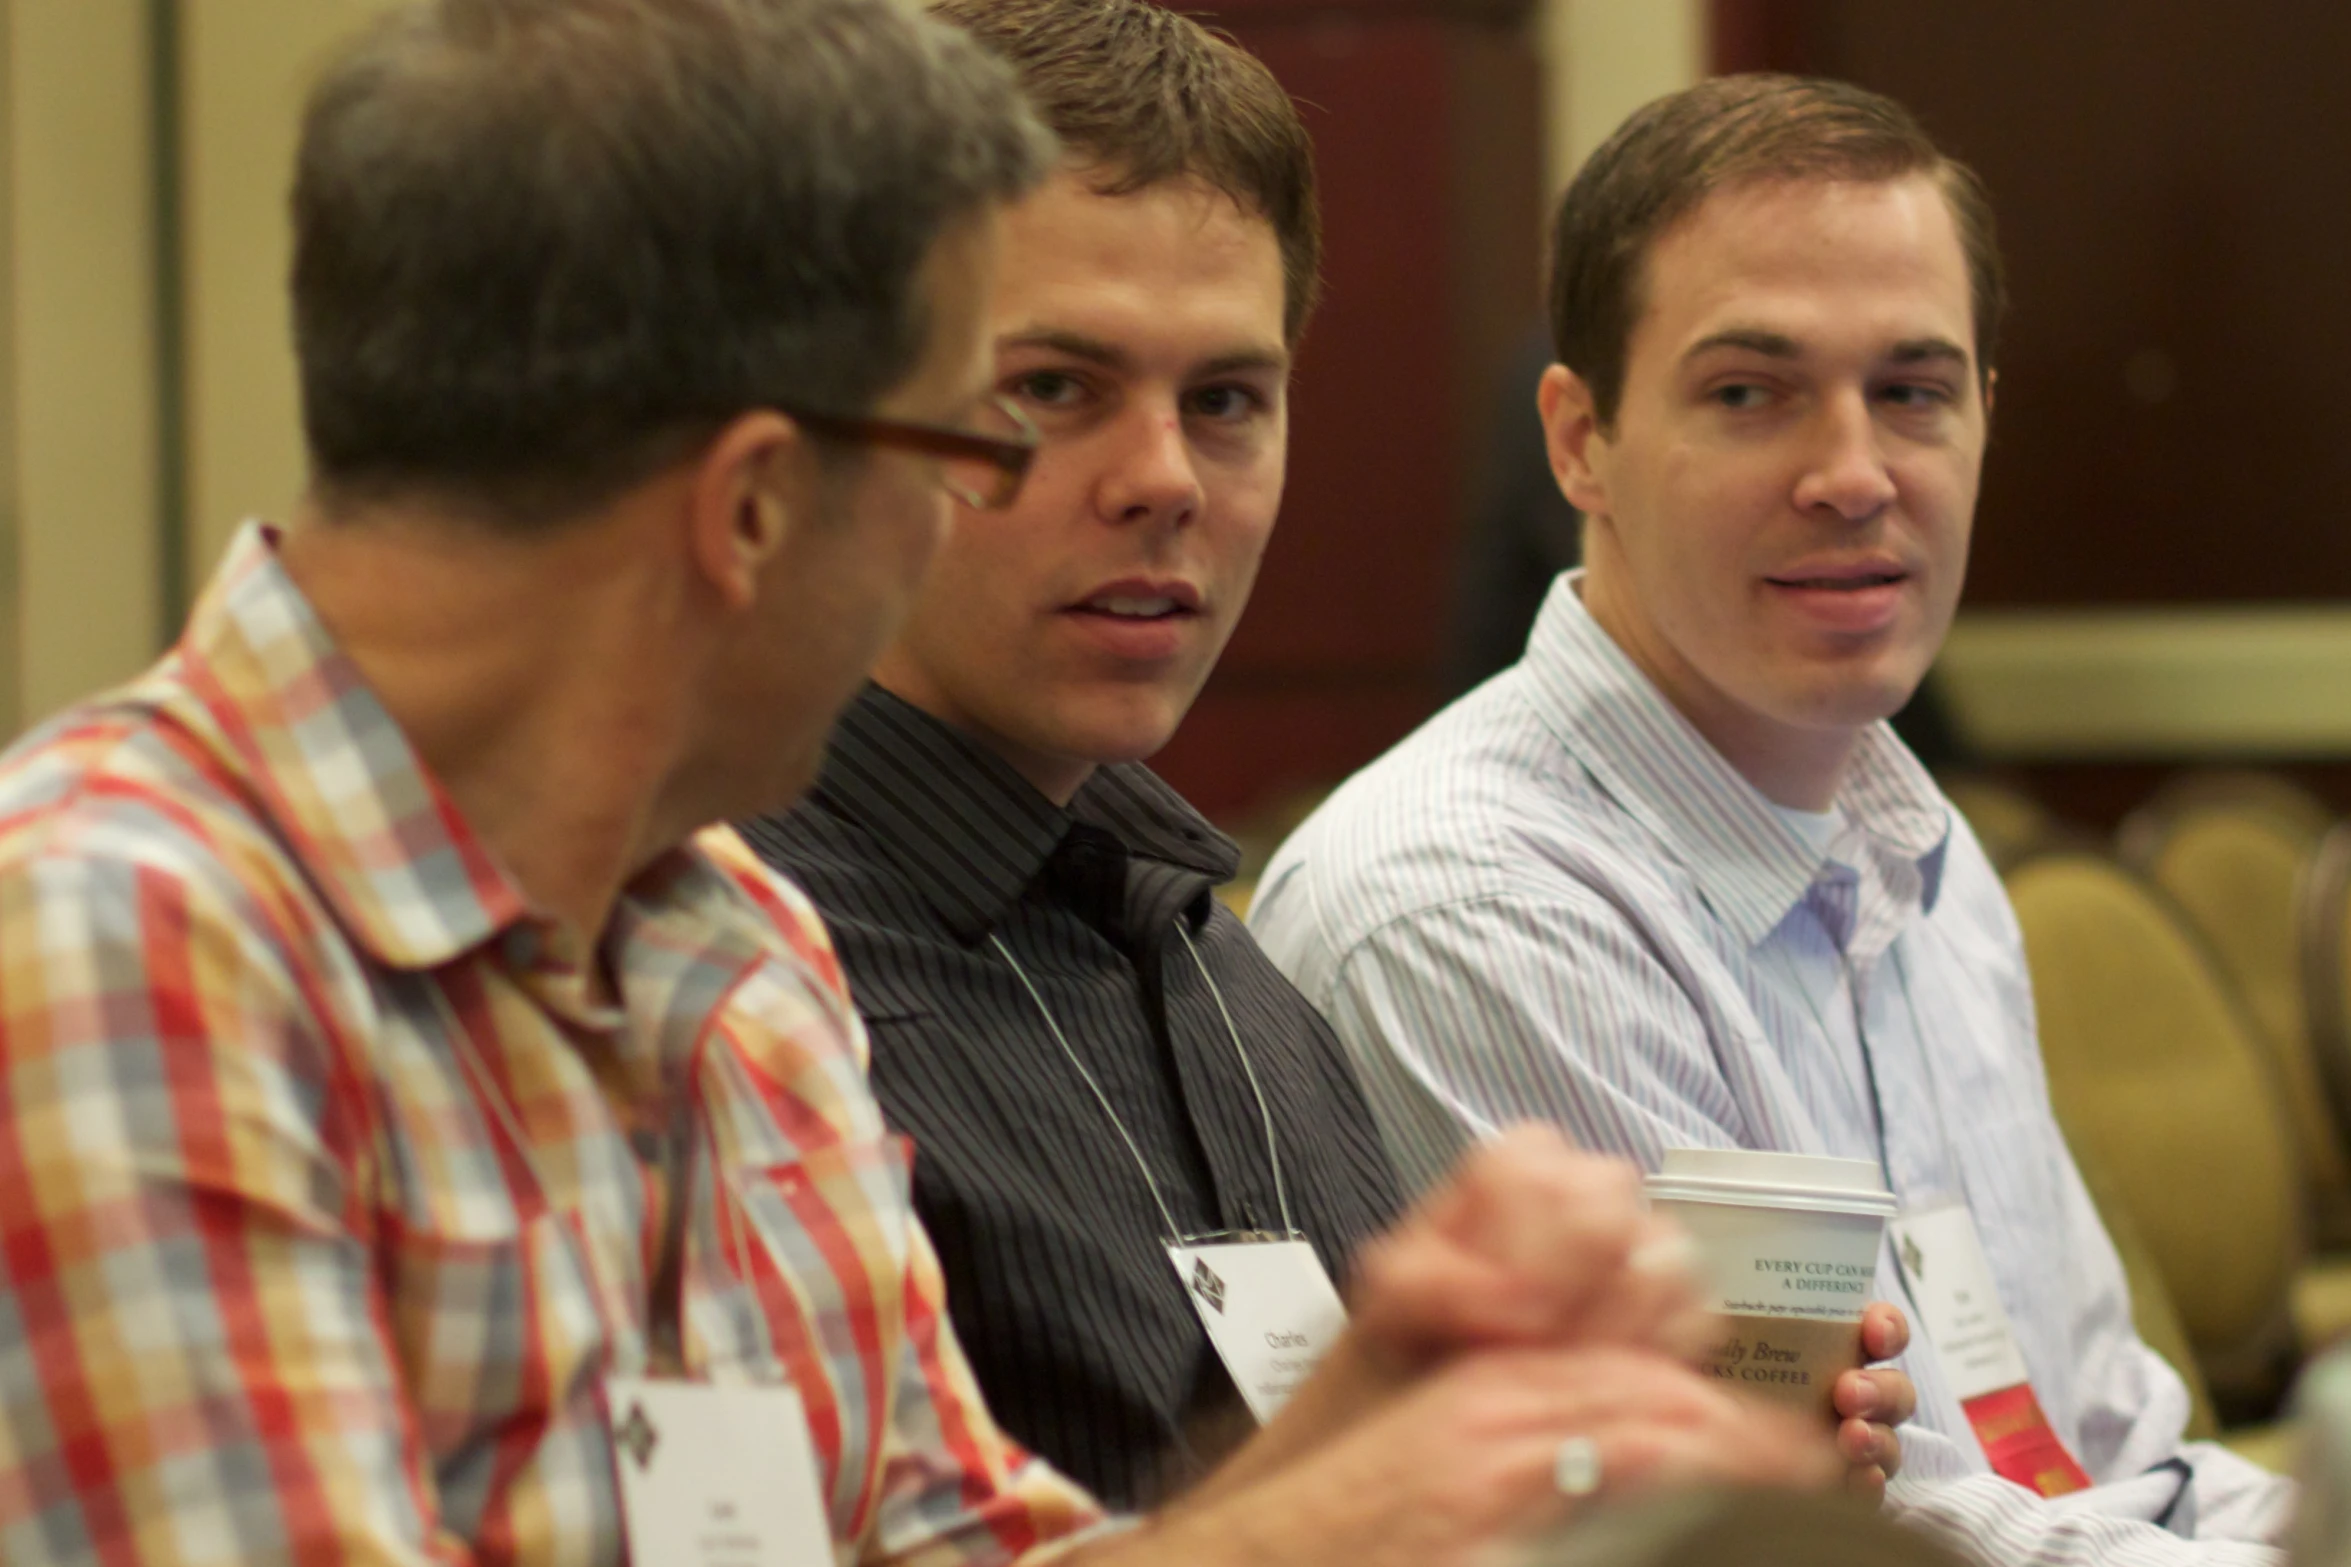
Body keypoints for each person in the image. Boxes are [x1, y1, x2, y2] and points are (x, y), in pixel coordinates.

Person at [0, 4, 1837, 1562]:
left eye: (1221, 400)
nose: (1145, 485)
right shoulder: (111, 942)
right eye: (991, 416)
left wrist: (1361, 1446)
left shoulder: (724, 950)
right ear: (752, 510)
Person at [739, 0, 1914, 1515]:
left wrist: (1636, 1477)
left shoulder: (1227, 982)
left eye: (1223, 401)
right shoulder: (733, 973)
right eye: (1053, 389)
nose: (1162, 480)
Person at [1250, 72, 2297, 1562]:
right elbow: (1799, 1539)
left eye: (1913, 391)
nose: (1854, 473)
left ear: (1984, 419)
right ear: (1578, 439)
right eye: (1749, 393)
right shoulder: (1470, 904)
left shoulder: (1921, 854)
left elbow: (2106, 1445)